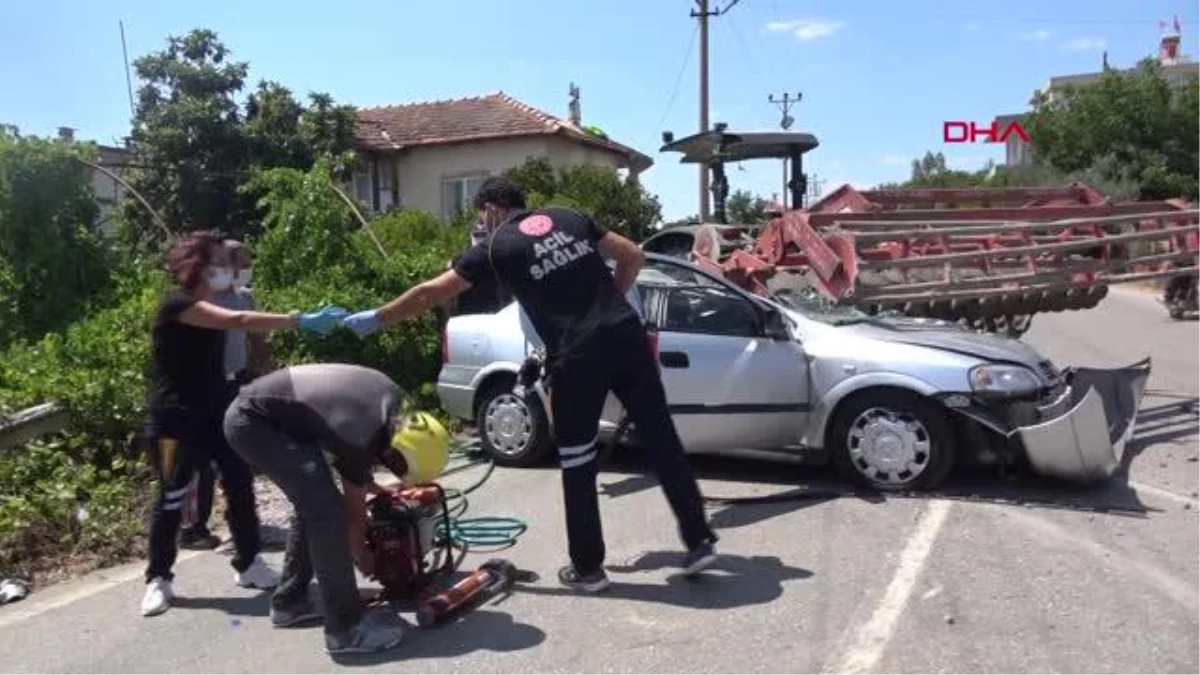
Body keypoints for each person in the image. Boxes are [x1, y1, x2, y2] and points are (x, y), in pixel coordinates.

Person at [341, 176, 718, 593]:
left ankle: (589, 569)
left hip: (577, 354)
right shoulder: (568, 217)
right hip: (626, 336)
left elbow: (431, 293)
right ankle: (699, 540)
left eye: (481, 214)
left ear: (490, 208)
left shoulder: (495, 248)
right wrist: (608, 305)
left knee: (577, 460)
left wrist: (379, 317)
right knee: (662, 440)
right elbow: (632, 255)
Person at [141, 231, 349, 617]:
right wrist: (301, 320)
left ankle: (250, 562)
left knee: (239, 482)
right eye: (220, 262)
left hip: (217, 410)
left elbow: (243, 322)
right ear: (198, 266)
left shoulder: (215, 300)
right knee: (171, 495)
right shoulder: (178, 304)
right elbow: (238, 319)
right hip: (171, 419)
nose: (229, 269)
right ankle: (158, 578)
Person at [222, 363, 447, 655]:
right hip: (253, 422)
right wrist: (364, 557)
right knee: (327, 513)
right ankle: (345, 628)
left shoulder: (399, 412)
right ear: (396, 452)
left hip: (281, 416)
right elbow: (354, 519)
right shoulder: (360, 432)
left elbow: (356, 462)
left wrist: (375, 488)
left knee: (315, 504)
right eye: (398, 468)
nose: (395, 471)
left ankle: (290, 602)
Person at [180, 238, 272, 550]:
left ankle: (242, 525)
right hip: (203, 385)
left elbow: (257, 339)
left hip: (235, 382)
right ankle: (193, 527)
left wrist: (264, 373)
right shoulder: (201, 302)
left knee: (237, 454)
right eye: (238, 262)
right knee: (201, 460)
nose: (243, 269)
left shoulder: (245, 297)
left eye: (244, 264)